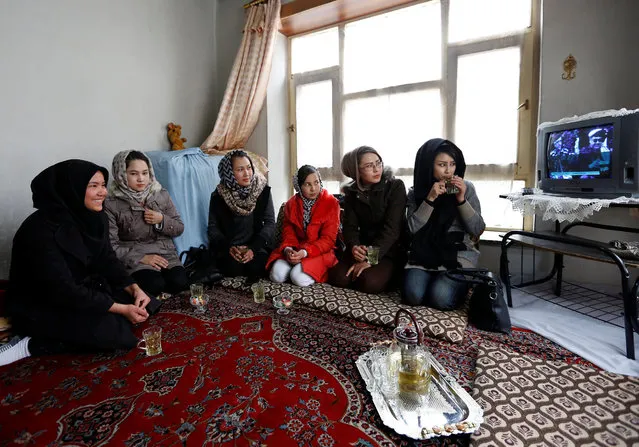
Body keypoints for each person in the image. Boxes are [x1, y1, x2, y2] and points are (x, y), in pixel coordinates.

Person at [1, 160, 158, 367]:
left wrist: (134, 288)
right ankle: (29, 344)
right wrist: (120, 309)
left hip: (84, 287)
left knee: (148, 301)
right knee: (116, 334)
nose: (103, 192)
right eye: (93, 186)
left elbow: (107, 259)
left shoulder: (94, 216)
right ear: (71, 189)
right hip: (46, 302)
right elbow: (62, 289)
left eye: (103, 185)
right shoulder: (38, 231)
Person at [403, 139, 485, 310]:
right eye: (442, 165)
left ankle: (457, 283)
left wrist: (461, 200)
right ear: (429, 165)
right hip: (424, 253)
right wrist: (430, 199)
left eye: (452, 164)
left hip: (457, 254)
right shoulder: (416, 191)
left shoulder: (466, 188)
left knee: (440, 299)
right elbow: (411, 229)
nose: (449, 171)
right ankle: (436, 279)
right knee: (413, 296)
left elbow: (477, 229)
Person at [105, 150, 188, 297]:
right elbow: (111, 245)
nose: (141, 179)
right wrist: (141, 258)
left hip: (165, 253)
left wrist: (162, 220)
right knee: (154, 284)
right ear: (121, 174)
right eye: (133, 173)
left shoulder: (161, 194)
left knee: (180, 283)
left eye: (145, 173)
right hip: (135, 255)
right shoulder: (111, 204)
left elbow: (179, 228)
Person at [328, 146, 407, 294]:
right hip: (364, 247)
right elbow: (349, 227)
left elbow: (392, 230)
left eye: (378, 163)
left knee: (368, 282)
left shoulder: (395, 186)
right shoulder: (351, 192)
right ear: (356, 171)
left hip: (387, 250)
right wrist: (354, 247)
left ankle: (392, 275)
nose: (377, 169)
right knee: (338, 278)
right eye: (369, 166)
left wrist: (370, 259)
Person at [208, 150, 275, 283]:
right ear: (229, 173)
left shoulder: (262, 190)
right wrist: (229, 248)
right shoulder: (218, 195)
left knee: (256, 267)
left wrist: (253, 248)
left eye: (249, 168)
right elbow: (212, 228)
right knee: (232, 268)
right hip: (231, 248)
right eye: (240, 169)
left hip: (256, 245)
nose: (247, 173)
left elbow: (270, 223)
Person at [267, 165, 340, 287]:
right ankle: (293, 268)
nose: (313, 188)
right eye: (307, 184)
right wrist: (288, 250)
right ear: (299, 187)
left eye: (316, 183)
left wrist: (305, 252)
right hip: (296, 249)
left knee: (298, 278)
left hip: (319, 252)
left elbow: (328, 240)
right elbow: (288, 232)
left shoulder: (331, 203)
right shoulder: (291, 204)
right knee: (276, 276)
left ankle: (300, 271)